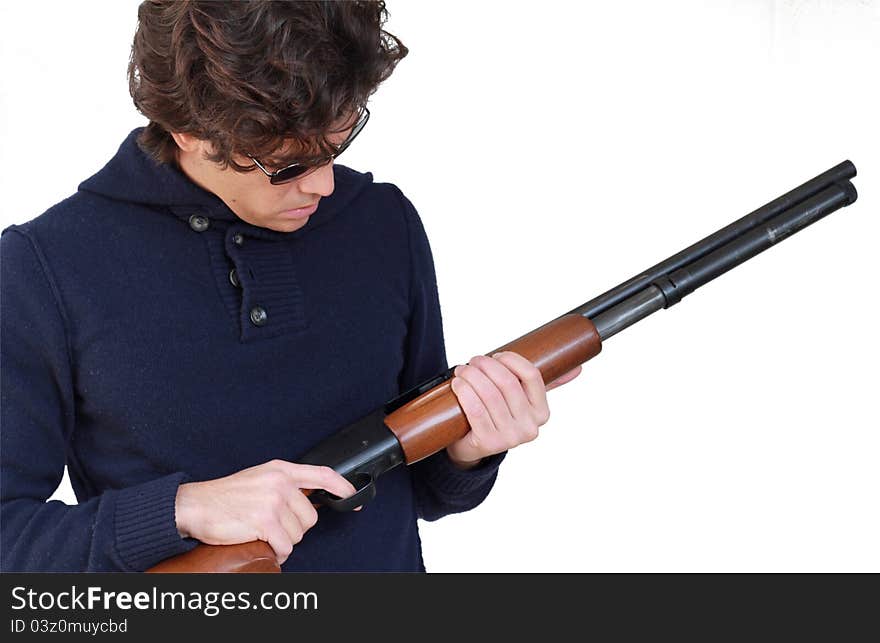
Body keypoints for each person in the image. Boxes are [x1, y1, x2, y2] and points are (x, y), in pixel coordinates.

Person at [0, 0, 581, 572]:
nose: (325, 185)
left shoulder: (382, 221)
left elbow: (423, 492)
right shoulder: (43, 268)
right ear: (187, 130)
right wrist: (181, 509)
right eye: (288, 166)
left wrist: (472, 448)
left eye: (337, 144)